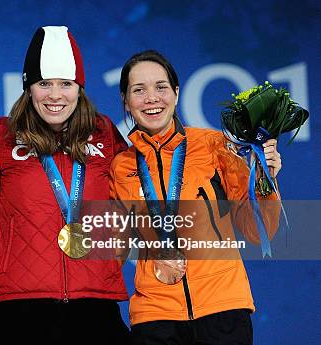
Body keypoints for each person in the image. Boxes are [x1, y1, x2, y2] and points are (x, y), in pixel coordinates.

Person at [109, 50, 282, 345]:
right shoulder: (121, 166)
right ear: (126, 101)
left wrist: (266, 181)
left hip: (223, 308)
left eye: (161, 87)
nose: (152, 98)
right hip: (155, 316)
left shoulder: (214, 145)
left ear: (176, 94)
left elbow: (258, 231)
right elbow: (116, 249)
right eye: (139, 90)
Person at [0, 26, 130, 344]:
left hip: (96, 304)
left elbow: (129, 200)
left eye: (66, 83)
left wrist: (108, 257)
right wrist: (2, 257)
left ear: (80, 88)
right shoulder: (3, 135)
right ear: (28, 87)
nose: (55, 95)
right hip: (20, 308)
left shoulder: (104, 132)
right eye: (44, 83)